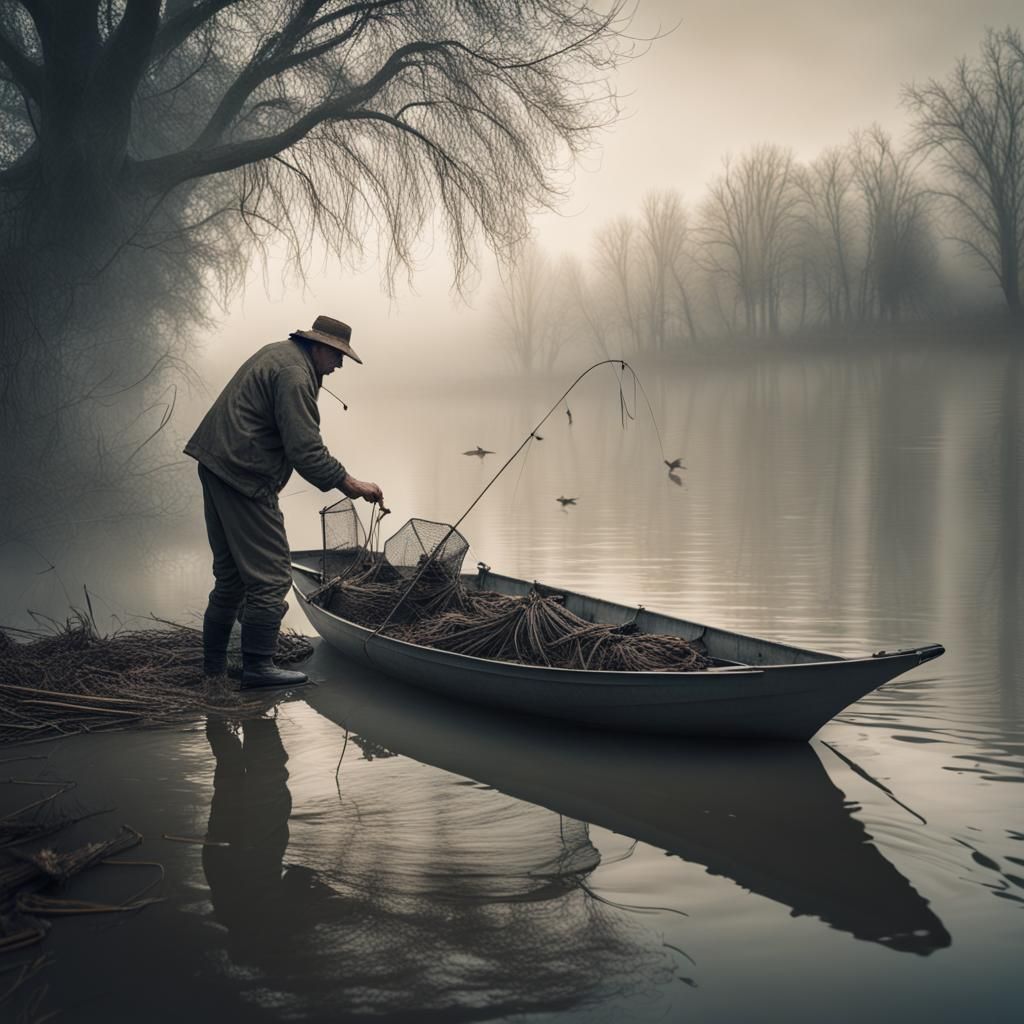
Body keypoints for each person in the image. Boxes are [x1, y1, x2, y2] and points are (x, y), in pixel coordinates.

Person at [185, 315, 384, 687]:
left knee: (230, 579)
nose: (340, 365)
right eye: (338, 355)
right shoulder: (295, 374)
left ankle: (213, 671)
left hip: (216, 464)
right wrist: (350, 484)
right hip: (243, 474)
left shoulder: (281, 354)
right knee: (272, 577)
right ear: (319, 346)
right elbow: (305, 451)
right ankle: (258, 667)